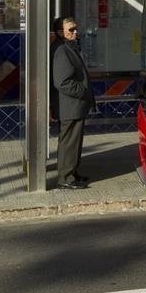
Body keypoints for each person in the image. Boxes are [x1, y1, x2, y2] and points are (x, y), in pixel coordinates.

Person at [51, 16, 95, 189]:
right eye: (71, 30)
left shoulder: (68, 47)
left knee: (74, 142)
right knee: (69, 142)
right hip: (69, 105)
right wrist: (83, 92)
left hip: (73, 105)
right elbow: (62, 82)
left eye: (76, 28)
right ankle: (66, 178)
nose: (75, 32)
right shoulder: (61, 50)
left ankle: (72, 173)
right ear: (61, 32)